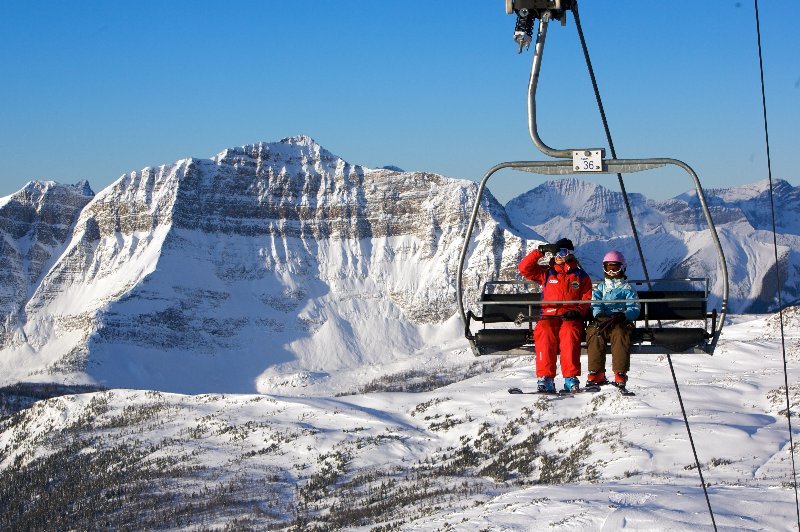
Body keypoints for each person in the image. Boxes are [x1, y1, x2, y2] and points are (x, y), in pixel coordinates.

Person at [518, 238, 592, 393]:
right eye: (556, 252)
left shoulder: (580, 276)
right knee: (544, 332)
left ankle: (570, 378)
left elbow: (586, 299)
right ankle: (546, 378)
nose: (558, 256)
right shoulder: (547, 273)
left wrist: (577, 312)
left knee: (570, 333)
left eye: (562, 252)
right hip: (549, 316)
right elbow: (524, 268)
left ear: (570, 254)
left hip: (570, 316)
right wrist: (541, 251)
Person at [585, 250, 641, 388]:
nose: (611, 272)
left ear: (622, 268)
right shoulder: (601, 288)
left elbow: (634, 307)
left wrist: (625, 315)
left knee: (620, 333)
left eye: (615, 268)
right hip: (603, 320)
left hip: (621, 321)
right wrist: (598, 314)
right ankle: (596, 372)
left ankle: (620, 373)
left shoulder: (627, 288)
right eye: (608, 268)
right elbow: (595, 303)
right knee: (595, 332)